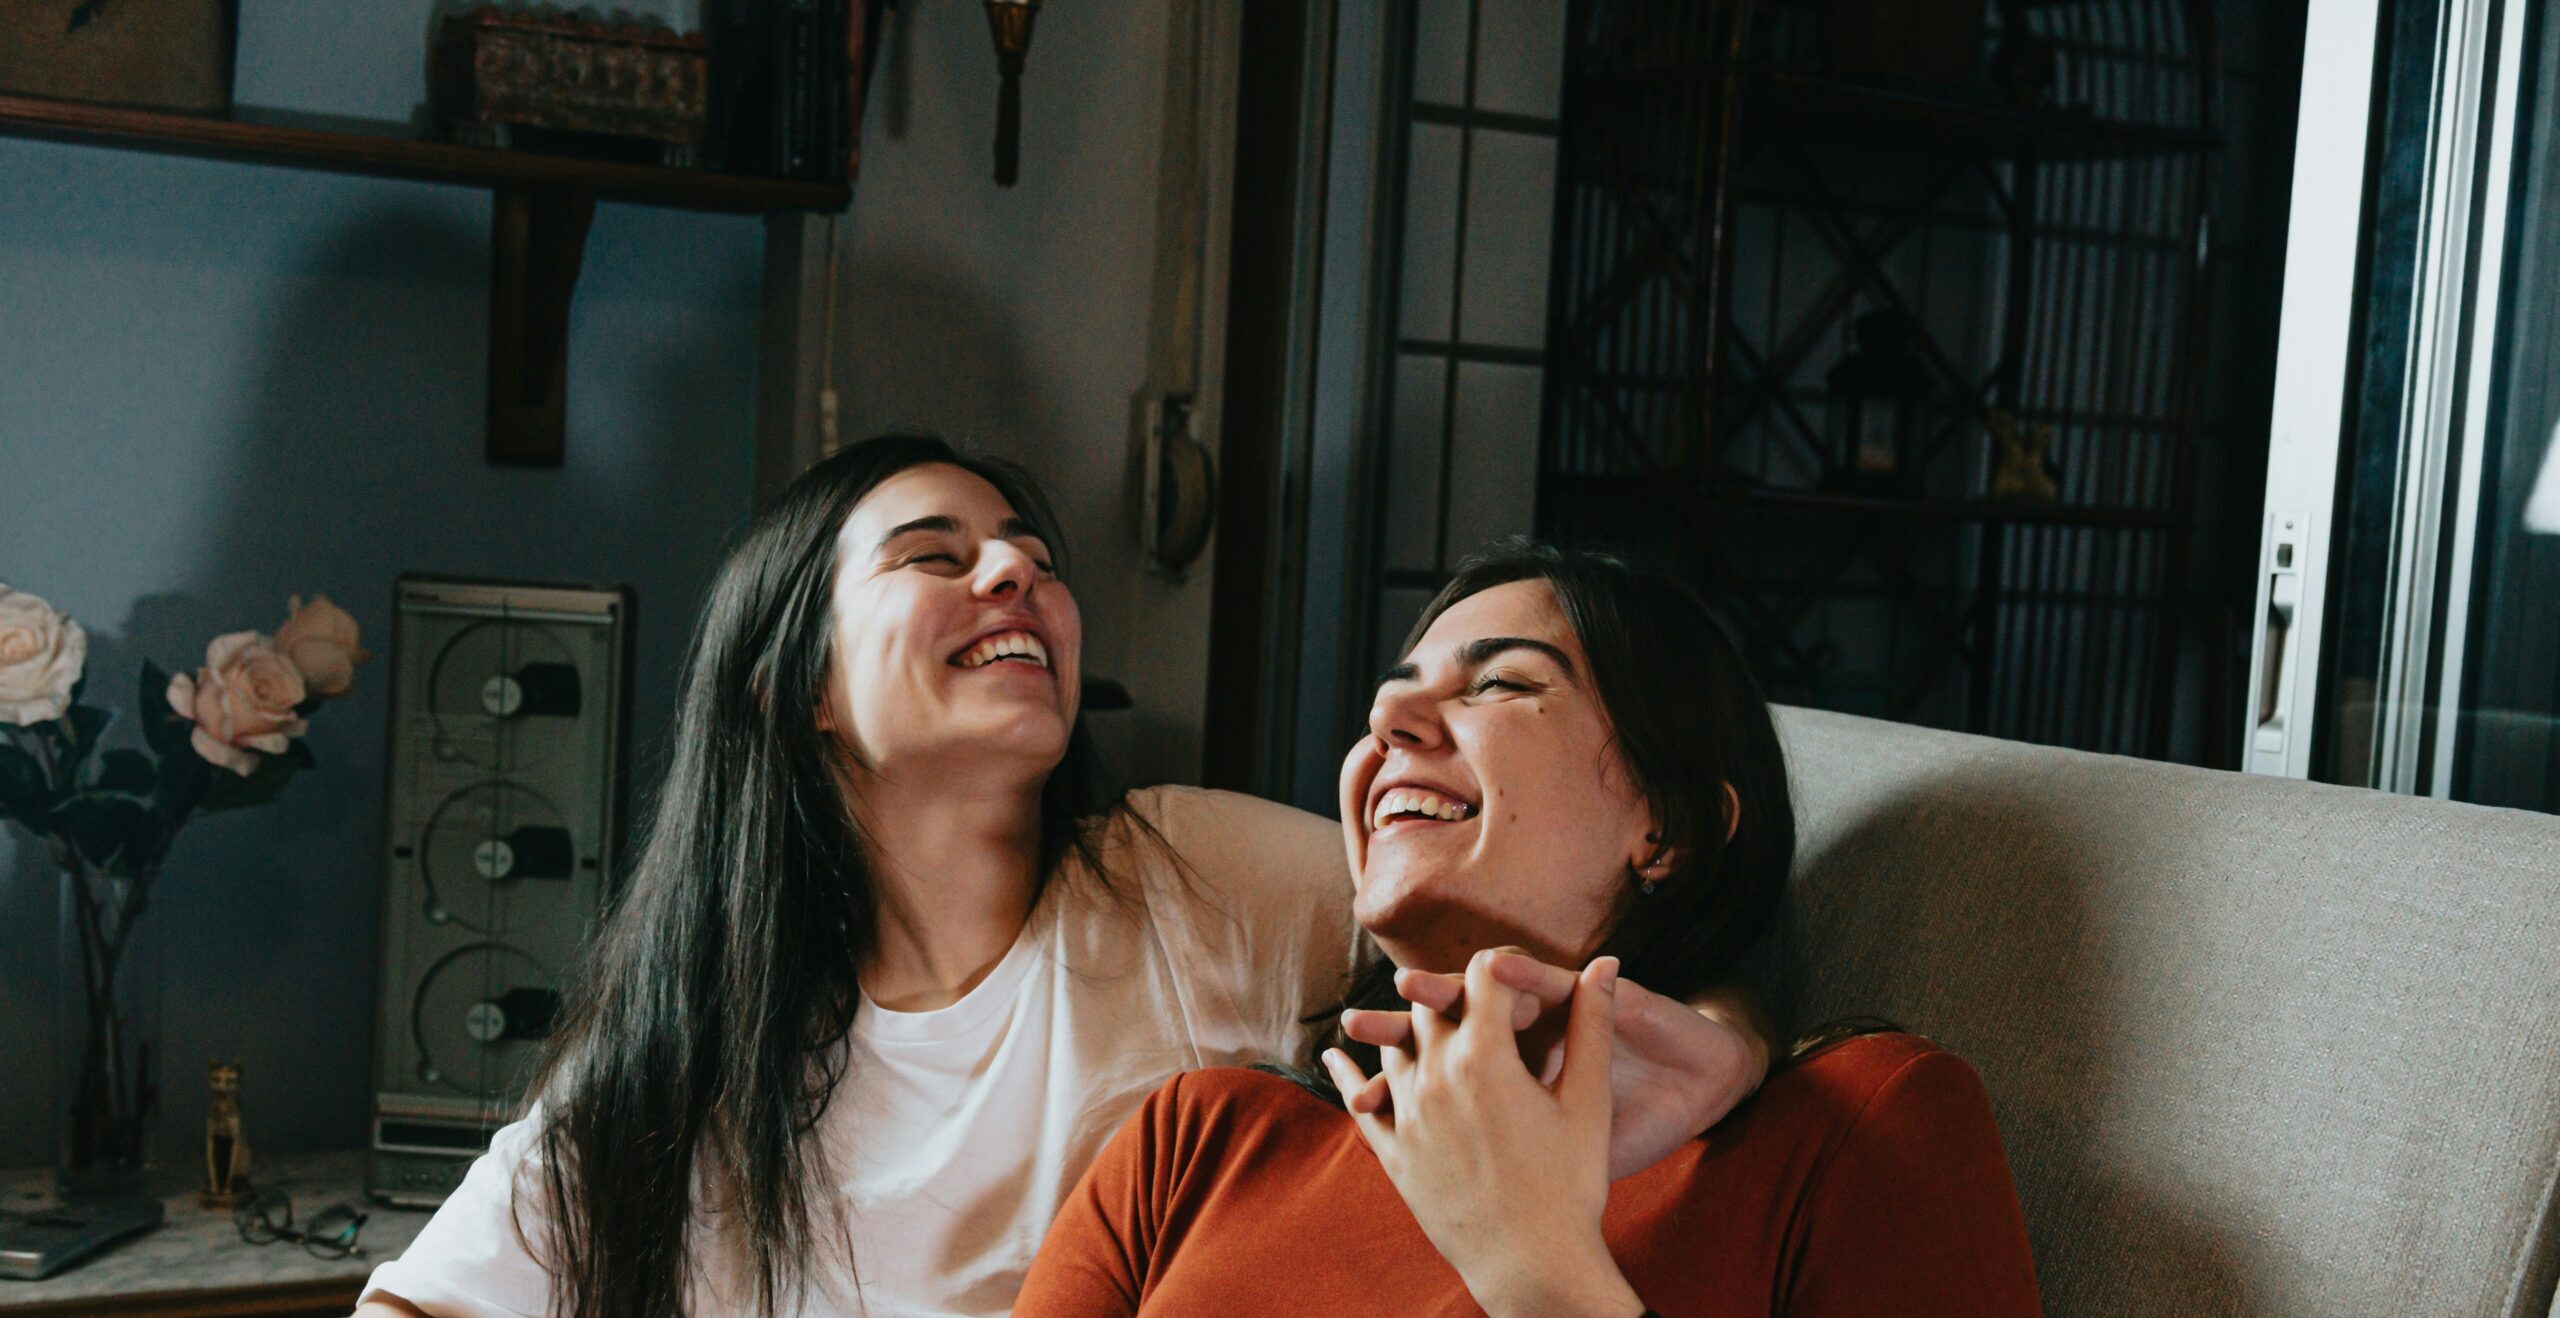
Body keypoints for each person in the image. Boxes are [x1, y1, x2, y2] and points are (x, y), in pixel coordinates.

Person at [355, 437, 1768, 1318]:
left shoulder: (1187, 878)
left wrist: (1746, 1036)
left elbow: (1521, 917)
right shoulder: (695, 1045)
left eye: (1035, 559)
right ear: (802, 689)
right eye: (936, 555)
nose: (1013, 573)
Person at [1013, 540, 2042, 1317]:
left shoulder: (1857, 1124)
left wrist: (1537, 1270)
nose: (1387, 727)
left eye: (1500, 683)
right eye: (1388, 702)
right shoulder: (1200, 1140)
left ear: (1669, 827)